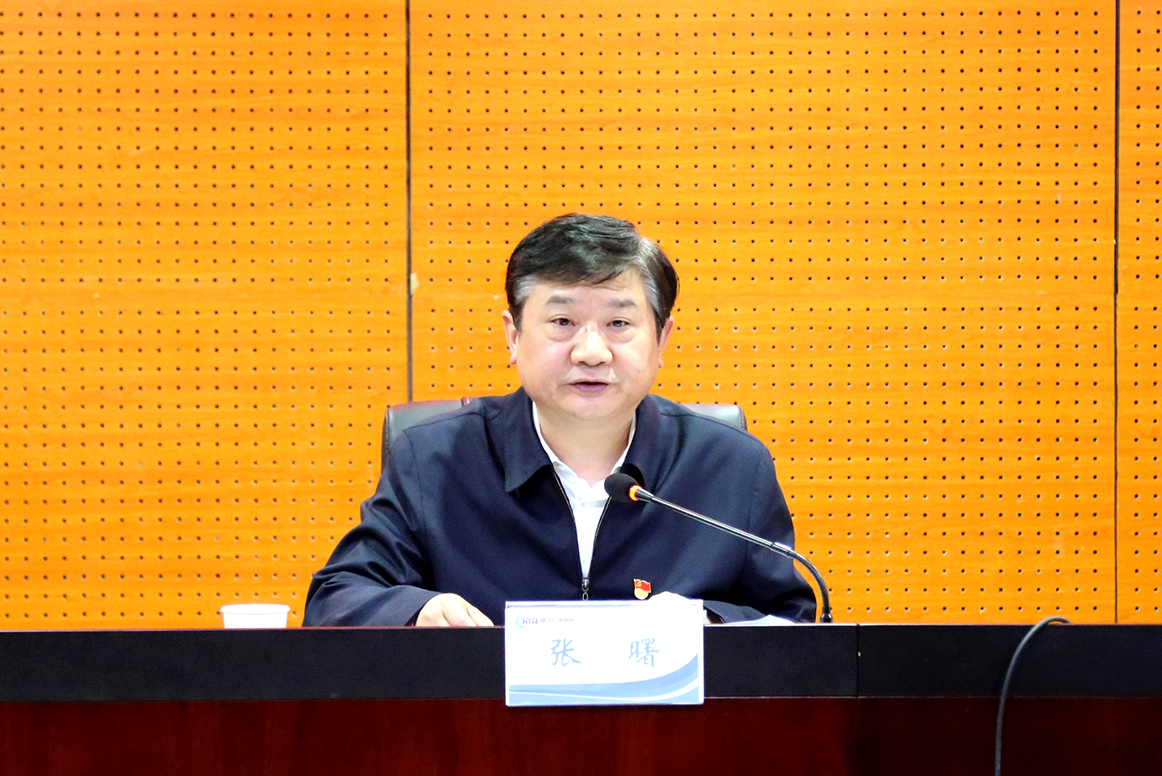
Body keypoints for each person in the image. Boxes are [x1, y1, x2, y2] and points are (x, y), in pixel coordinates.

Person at [303, 213, 815, 627]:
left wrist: (709, 623)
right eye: (562, 321)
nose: (591, 352)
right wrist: (418, 610)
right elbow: (335, 599)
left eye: (619, 323)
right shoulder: (435, 460)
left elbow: (793, 624)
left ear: (661, 339)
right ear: (513, 335)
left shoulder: (730, 465)